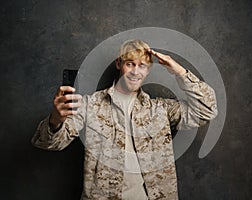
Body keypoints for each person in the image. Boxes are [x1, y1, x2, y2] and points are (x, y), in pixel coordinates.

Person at [32, 39, 218, 200]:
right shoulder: (90, 105)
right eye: (130, 63)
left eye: (142, 65)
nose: (135, 72)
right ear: (119, 64)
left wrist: (180, 72)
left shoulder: (160, 109)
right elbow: (50, 143)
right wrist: (56, 118)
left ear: (148, 70)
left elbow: (206, 110)